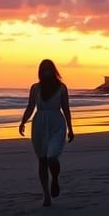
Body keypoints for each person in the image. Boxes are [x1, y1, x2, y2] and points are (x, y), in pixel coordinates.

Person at [18, 59, 74, 206]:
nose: (46, 72)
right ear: (40, 72)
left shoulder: (62, 88)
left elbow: (66, 109)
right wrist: (23, 122)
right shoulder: (35, 88)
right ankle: (46, 195)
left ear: (53, 71)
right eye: (44, 69)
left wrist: (70, 128)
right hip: (39, 124)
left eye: (49, 69)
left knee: (52, 157)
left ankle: (54, 178)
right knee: (42, 159)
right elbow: (30, 106)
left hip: (57, 123)